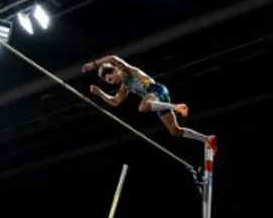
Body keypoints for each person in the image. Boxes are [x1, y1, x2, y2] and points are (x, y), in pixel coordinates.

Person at [82, 55, 216, 152]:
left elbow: (112, 58)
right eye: (109, 82)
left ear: (115, 70)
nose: (112, 82)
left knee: (142, 107)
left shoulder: (127, 70)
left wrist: (93, 65)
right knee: (175, 131)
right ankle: (207, 139)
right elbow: (115, 102)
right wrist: (99, 93)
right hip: (155, 100)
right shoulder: (125, 86)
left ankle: (177, 107)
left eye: (111, 79)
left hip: (156, 90)